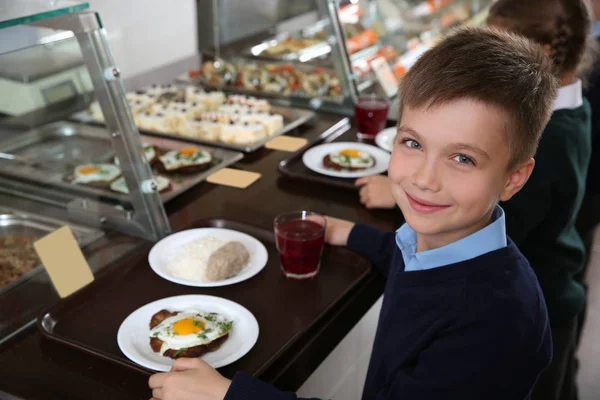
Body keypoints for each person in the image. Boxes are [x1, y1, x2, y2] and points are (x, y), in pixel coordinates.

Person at [148, 27, 558, 400]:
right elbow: (403, 255)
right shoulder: (433, 242)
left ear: (513, 179)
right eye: (413, 144)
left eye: (463, 158)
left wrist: (226, 397)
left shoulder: (499, 323)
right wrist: (349, 233)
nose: (424, 179)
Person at [486, 1, 595, 399]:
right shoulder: (571, 108)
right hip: (556, 291)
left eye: (496, 46)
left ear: (541, 54)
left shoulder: (547, 137)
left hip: (536, 308)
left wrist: (399, 195)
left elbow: (497, 225)